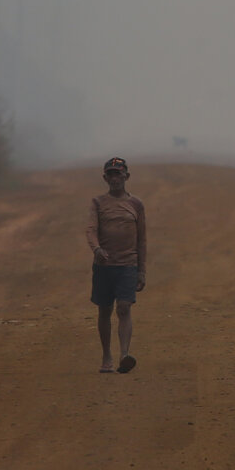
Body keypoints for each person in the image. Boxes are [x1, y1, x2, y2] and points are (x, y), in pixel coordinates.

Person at [85, 156, 146, 373]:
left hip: (128, 265)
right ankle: (106, 356)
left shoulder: (136, 204)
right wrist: (97, 249)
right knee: (104, 310)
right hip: (103, 266)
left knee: (124, 308)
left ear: (126, 176)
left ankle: (124, 354)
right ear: (105, 178)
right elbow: (91, 229)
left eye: (118, 174)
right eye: (110, 174)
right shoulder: (98, 203)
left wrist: (141, 271)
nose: (114, 178)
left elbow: (142, 240)